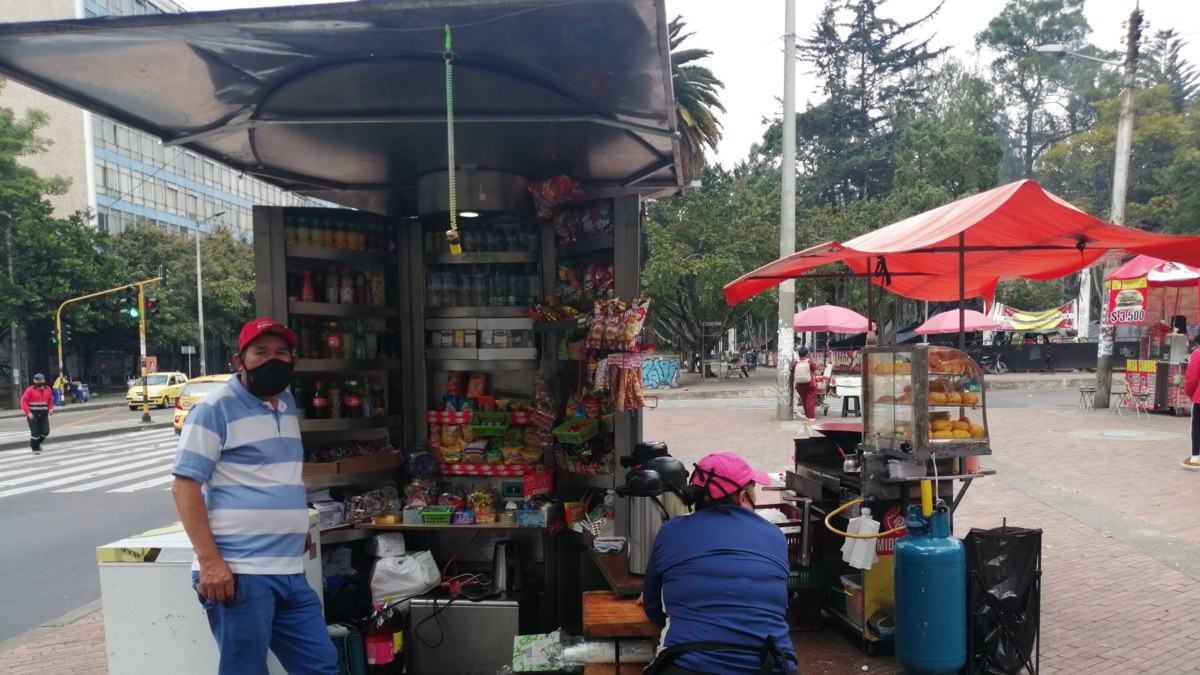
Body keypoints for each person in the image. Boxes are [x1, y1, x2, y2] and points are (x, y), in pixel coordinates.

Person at [171, 318, 338, 675]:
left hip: (289, 570)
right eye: (261, 352)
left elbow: (278, 472)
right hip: (240, 572)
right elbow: (184, 486)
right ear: (240, 361)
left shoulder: (286, 404)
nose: (272, 360)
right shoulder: (214, 409)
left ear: (293, 362)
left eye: (281, 353)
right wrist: (210, 562)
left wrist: (293, 525)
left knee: (321, 666)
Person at [640, 453, 798, 675]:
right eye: (754, 491)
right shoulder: (775, 536)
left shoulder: (670, 532)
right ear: (743, 497)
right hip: (770, 666)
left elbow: (653, 608)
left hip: (689, 664)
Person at [20, 373, 54, 455]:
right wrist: (28, 413)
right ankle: (35, 449)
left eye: (40, 380)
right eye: (36, 380)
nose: (38, 381)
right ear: (34, 380)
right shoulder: (30, 390)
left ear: (44, 380)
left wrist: (50, 408)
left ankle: (36, 443)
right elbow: (23, 402)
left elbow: (50, 400)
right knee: (35, 432)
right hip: (33, 415)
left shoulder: (48, 389)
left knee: (45, 431)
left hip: (43, 414)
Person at [1183, 346, 1200, 469]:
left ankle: (1196, 457)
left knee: (1197, 425)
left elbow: (1192, 376)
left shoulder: (1198, 353)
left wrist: (1189, 393)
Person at [793, 347, 819, 420]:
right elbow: (817, 372)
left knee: (804, 400)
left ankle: (807, 415)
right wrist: (812, 372)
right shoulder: (809, 362)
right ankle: (811, 417)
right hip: (810, 384)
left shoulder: (795, 363)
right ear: (806, 354)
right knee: (811, 400)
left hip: (799, 385)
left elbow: (793, 371)